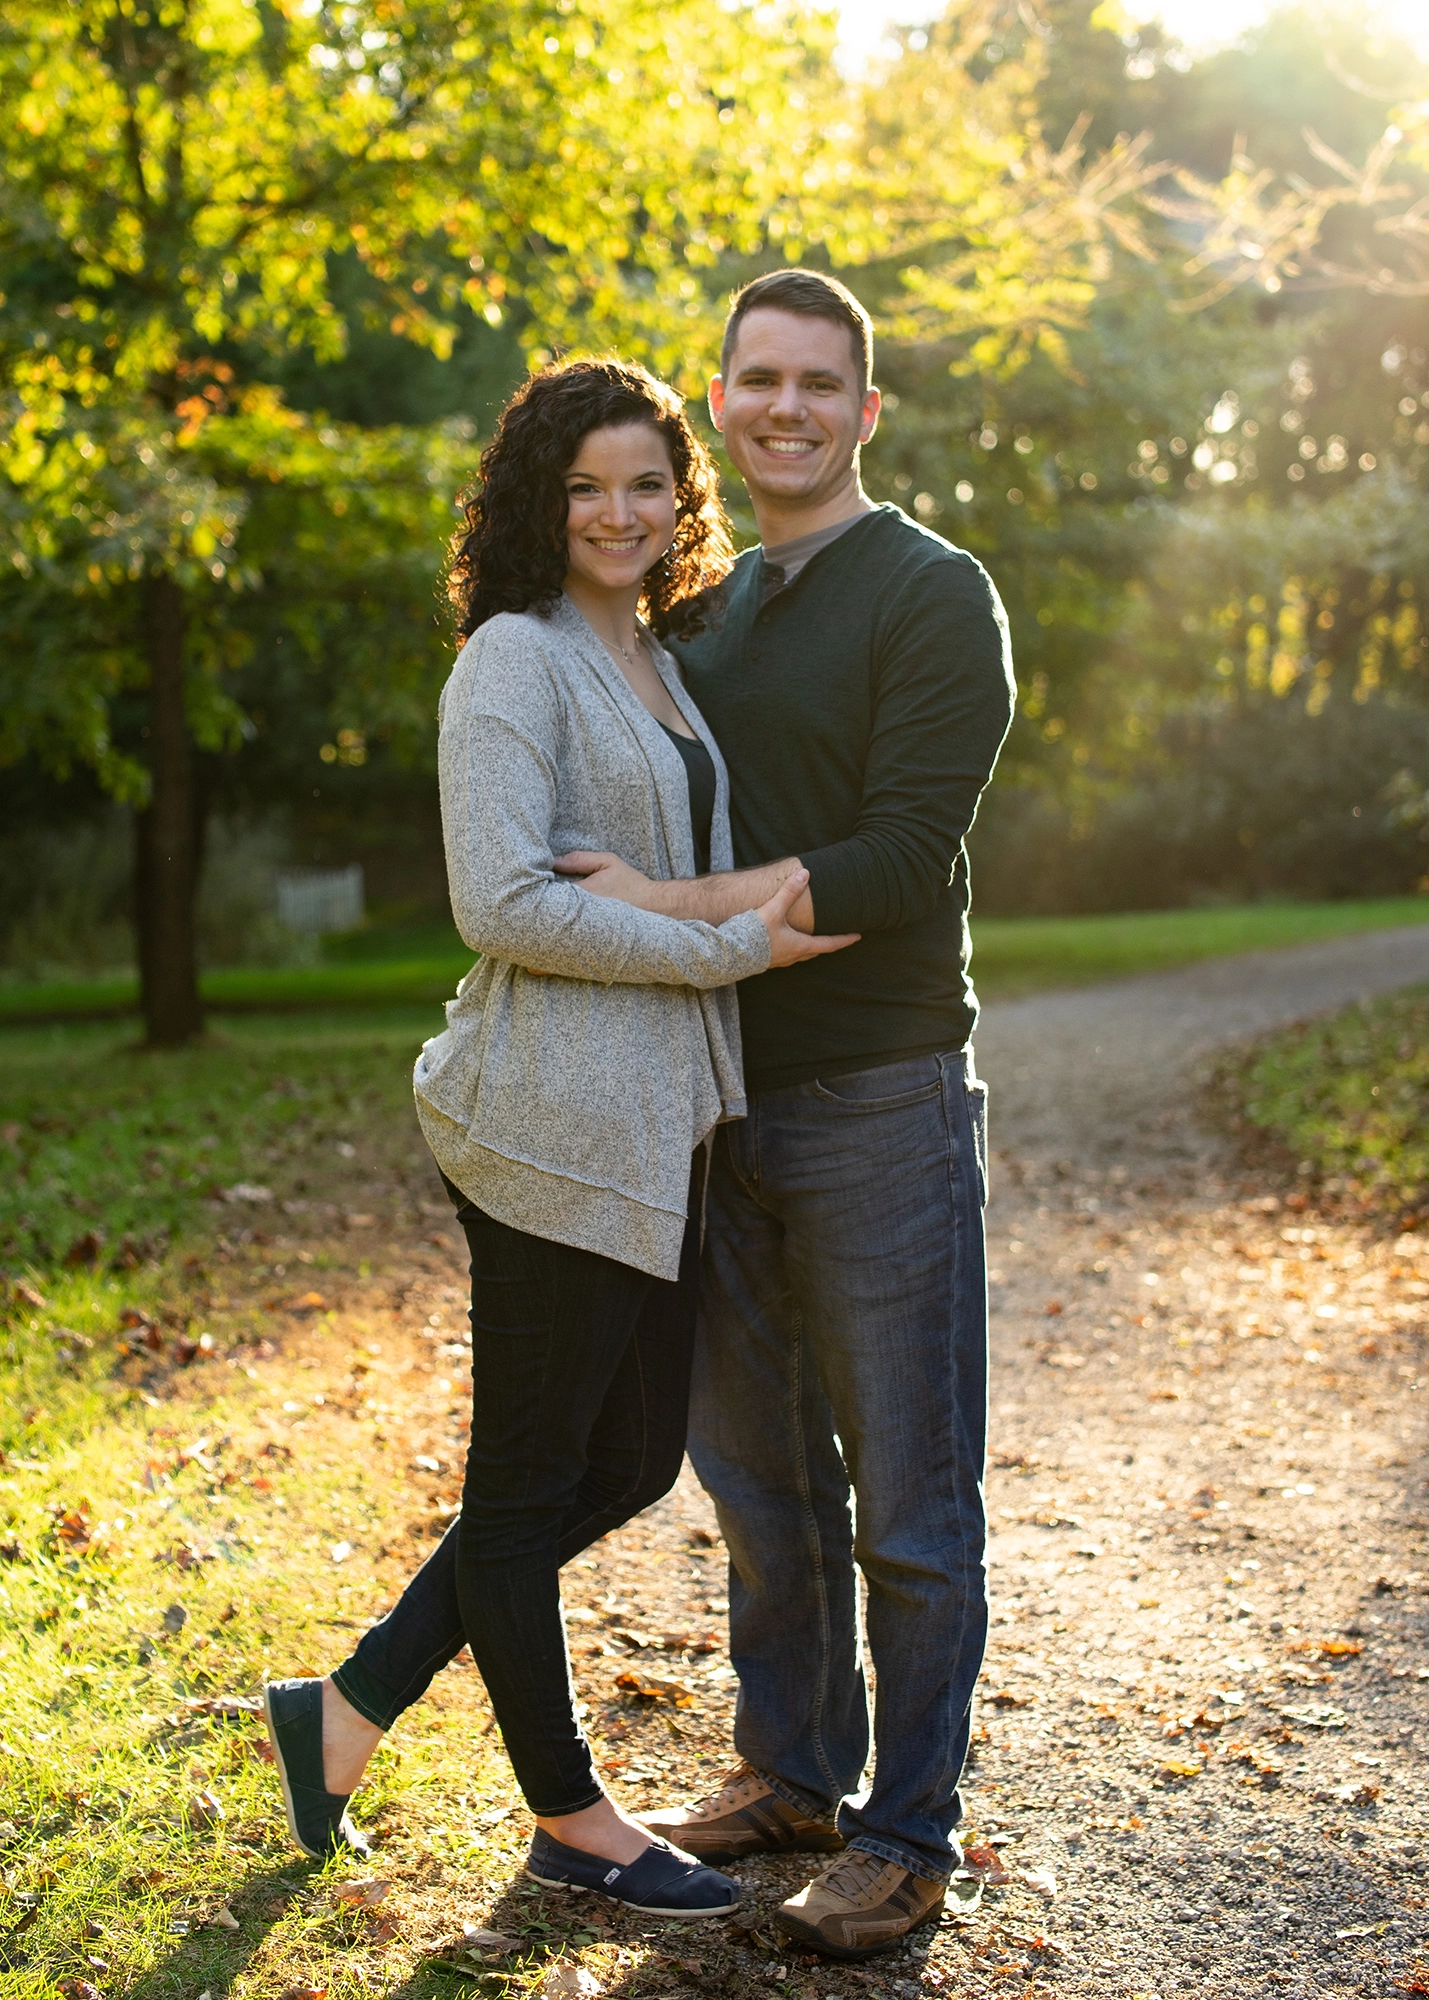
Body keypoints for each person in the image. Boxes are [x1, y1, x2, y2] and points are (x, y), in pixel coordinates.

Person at [262, 358, 854, 1920]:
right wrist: (730, 949)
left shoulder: (659, 655)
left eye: (645, 484)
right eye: (586, 486)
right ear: (539, 495)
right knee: (532, 1486)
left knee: (625, 1460)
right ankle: (573, 1820)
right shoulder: (511, 663)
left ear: (681, 499)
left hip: (659, 1128)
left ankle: (345, 1708)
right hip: (547, 1124)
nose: (617, 512)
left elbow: (642, 880)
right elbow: (503, 902)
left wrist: (693, 913)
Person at [554, 271, 1016, 1958]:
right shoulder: (705, 607)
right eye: (759, 379)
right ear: (724, 400)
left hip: (878, 1095)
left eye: (822, 382)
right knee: (758, 1476)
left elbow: (903, 860)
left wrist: (681, 913)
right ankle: (794, 1773)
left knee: (907, 1491)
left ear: (866, 411)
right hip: (715, 1098)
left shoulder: (934, 594)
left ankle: (908, 1831)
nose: (788, 407)